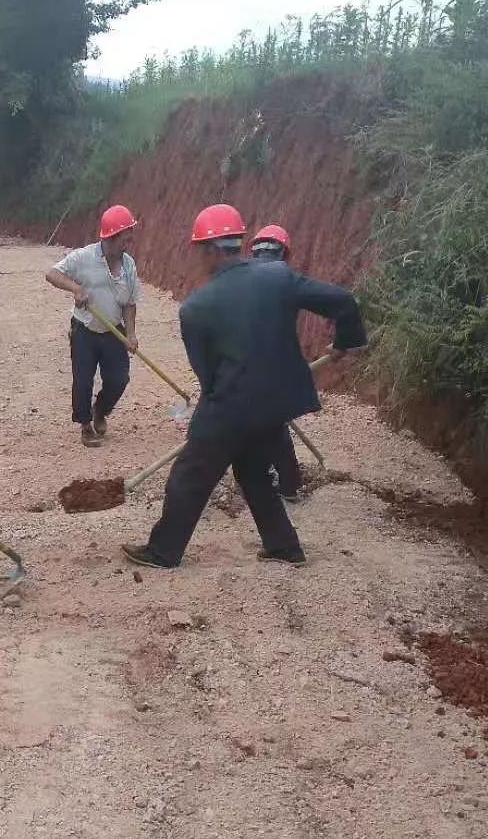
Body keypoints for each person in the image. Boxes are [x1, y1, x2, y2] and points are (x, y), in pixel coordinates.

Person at [123, 204, 366, 570]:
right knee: (253, 472)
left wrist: (213, 416)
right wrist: (346, 341)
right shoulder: (277, 277)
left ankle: (163, 552)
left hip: (231, 406)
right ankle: (284, 548)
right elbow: (343, 302)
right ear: (236, 243)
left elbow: (207, 375)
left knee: (189, 477)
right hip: (276, 405)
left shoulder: (196, 308)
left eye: (197, 251)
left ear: (209, 249)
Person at [46, 205, 141, 448]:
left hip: (113, 330)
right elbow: (52, 274)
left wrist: (130, 333)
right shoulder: (83, 257)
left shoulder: (129, 265)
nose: (129, 241)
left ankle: (100, 410)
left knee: (119, 378)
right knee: (83, 380)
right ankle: (86, 425)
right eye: (125, 237)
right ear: (110, 237)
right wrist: (76, 289)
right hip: (84, 330)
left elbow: (130, 303)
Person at [250, 224, 303, 502]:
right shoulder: (287, 282)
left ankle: (277, 480)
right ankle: (289, 483)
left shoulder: (238, 279)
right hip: (275, 368)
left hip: (239, 368)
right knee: (274, 426)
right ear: (284, 253)